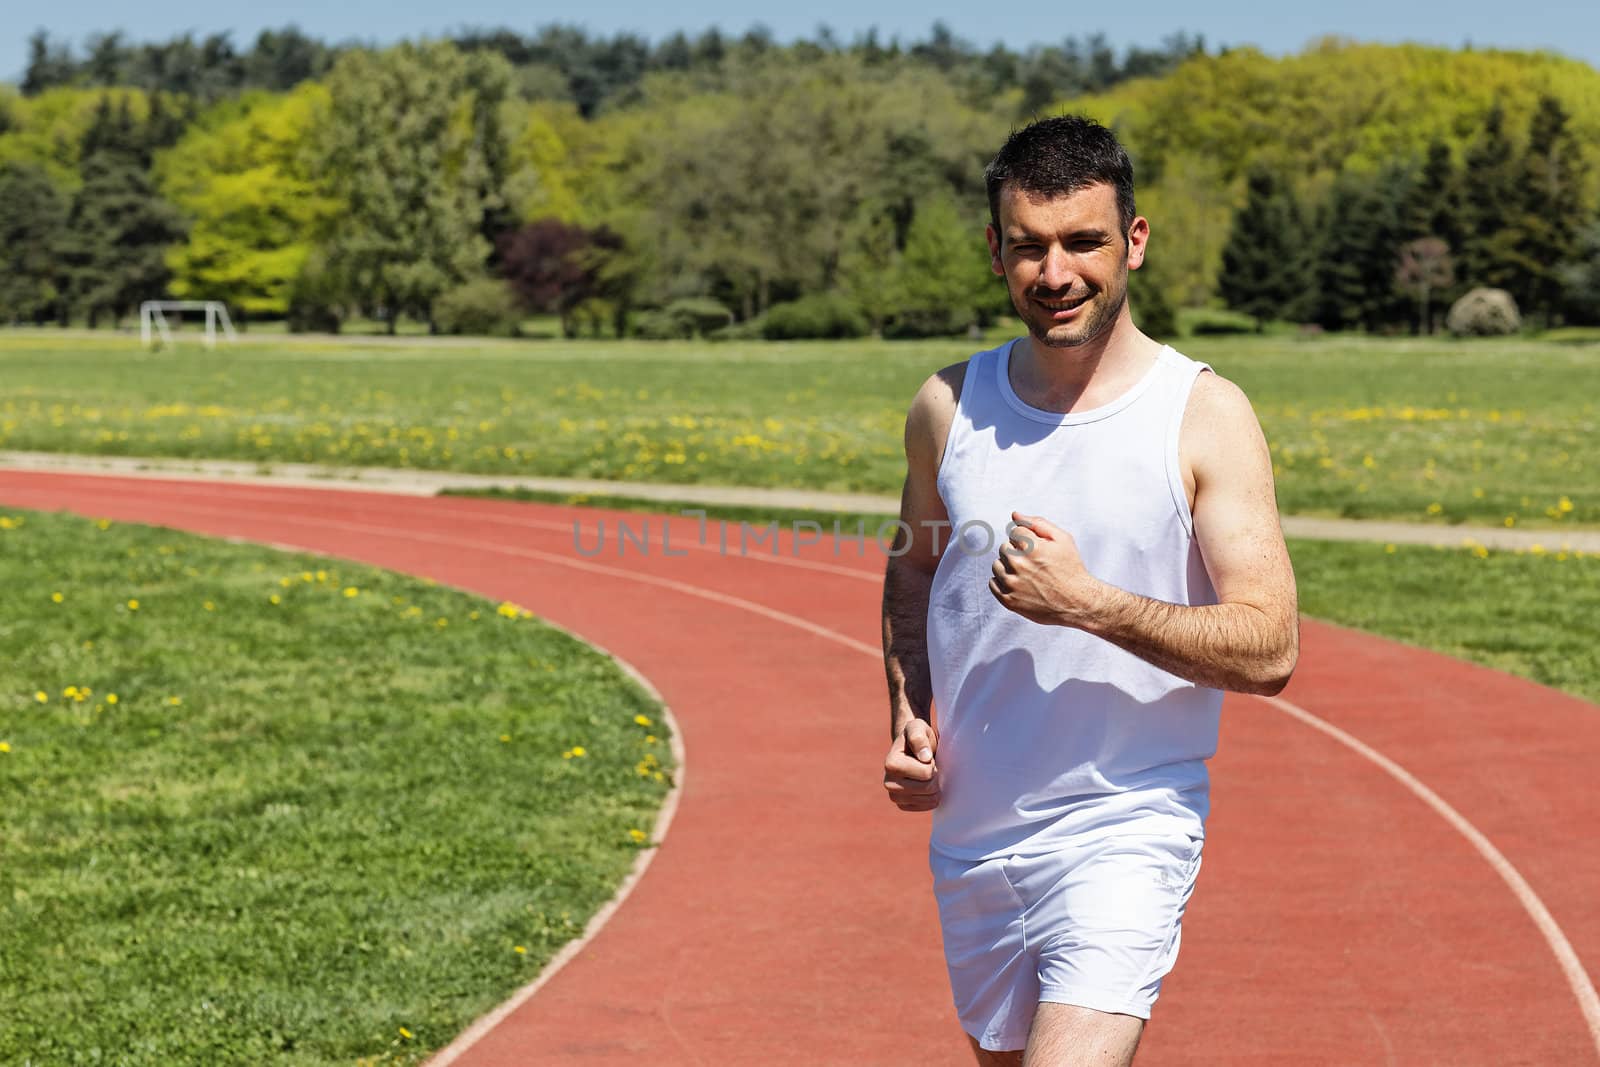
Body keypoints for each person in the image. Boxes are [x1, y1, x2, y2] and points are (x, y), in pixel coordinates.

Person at [879, 115, 1300, 1066]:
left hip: (1126, 823)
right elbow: (912, 567)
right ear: (995, 252)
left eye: (1083, 242)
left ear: (1134, 243)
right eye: (1028, 246)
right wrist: (910, 712)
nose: (1055, 272)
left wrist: (1090, 602)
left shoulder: (1201, 414)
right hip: (974, 839)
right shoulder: (946, 406)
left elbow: (1271, 647)